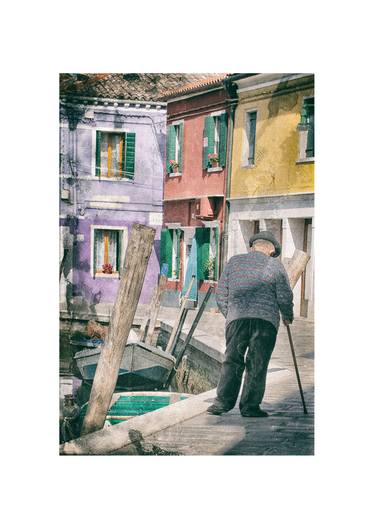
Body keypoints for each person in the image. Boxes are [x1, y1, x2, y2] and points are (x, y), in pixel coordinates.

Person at [207, 230, 294, 417]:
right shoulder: (276, 266)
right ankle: (250, 407)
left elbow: (221, 293)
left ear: (253, 247)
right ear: (271, 250)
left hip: (237, 319)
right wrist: (288, 315)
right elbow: (284, 296)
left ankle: (221, 403)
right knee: (257, 363)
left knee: (232, 361)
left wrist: (230, 314)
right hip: (265, 322)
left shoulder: (234, 262)